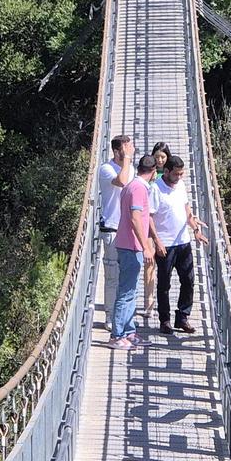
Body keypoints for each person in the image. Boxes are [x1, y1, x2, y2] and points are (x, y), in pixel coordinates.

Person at [151, 155, 208, 335]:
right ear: (166, 172)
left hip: (183, 241)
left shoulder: (181, 185)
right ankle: (165, 320)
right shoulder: (155, 189)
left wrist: (196, 230)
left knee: (189, 280)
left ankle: (183, 317)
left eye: (182, 174)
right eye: (176, 174)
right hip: (165, 244)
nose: (179, 177)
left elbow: (186, 209)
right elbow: (149, 218)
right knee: (164, 284)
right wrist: (156, 241)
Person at [111, 155, 161, 349]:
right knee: (126, 292)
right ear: (153, 171)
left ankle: (129, 331)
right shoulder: (139, 188)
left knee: (131, 291)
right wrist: (146, 246)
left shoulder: (131, 185)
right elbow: (135, 218)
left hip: (128, 245)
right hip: (130, 246)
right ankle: (117, 335)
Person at [97, 135, 134, 327]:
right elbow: (121, 181)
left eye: (131, 147)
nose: (130, 151)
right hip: (112, 228)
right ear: (116, 151)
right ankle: (110, 316)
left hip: (129, 229)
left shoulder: (132, 169)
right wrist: (127, 159)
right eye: (126, 148)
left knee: (127, 275)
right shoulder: (106, 169)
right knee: (112, 275)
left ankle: (125, 316)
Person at [144, 142, 172, 318]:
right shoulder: (148, 173)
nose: (160, 160)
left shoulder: (172, 175)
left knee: (165, 267)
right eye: (157, 157)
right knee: (149, 263)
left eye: (163, 157)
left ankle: (163, 303)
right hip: (148, 223)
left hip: (165, 227)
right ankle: (149, 303)